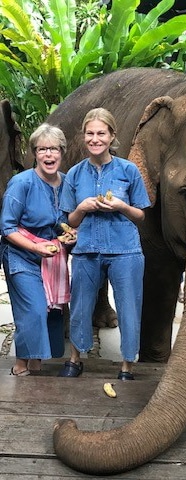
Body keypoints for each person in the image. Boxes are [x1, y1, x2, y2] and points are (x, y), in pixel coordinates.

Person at [58, 107, 151, 380]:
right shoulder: (74, 174)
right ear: (84, 137)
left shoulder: (128, 170)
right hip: (87, 250)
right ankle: (75, 358)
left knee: (129, 306)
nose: (95, 139)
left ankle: (126, 365)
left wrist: (121, 205)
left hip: (125, 250)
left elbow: (141, 215)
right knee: (80, 306)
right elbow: (70, 222)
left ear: (112, 136)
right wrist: (83, 207)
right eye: (90, 133)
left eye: (101, 133)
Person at [0, 123, 75, 376]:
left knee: (50, 311)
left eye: (54, 149)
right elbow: (7, 227)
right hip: (21, 255)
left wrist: (68, 234)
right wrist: (35, 246)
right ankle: (20, 366)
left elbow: (63, 221)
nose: (48, 155)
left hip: (51, 256)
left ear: (62, 152)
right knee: (33, 308)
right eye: (42, 149)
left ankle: (35, 365)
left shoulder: (66, 183)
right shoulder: (21, 183)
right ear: (35, 153)